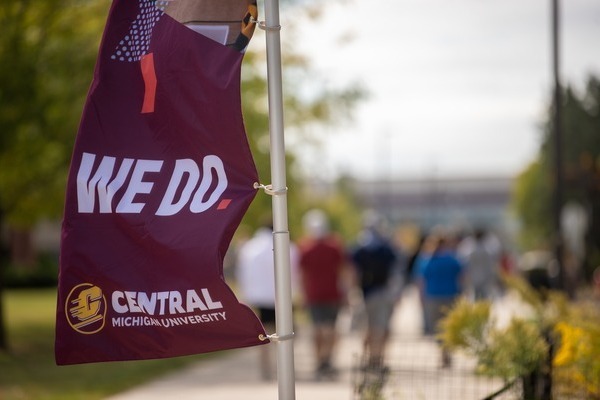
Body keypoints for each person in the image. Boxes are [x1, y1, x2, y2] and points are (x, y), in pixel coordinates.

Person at [235, 220, 298, 380]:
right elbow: (294, 271)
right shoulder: (288, 246)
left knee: (264, 334)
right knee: (285, 333)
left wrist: (245, 296)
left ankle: (266, 368)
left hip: (259, 297)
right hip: (282, 297)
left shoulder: (250, 248)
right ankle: (282, 367)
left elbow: (243, 274)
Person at [297, 209, 348, 379]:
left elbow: (302, 275)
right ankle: (328, 359)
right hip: (333, 293)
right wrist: (347, 293)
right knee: (331, 328)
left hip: (314, 294)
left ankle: (319, 360)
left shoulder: (305, 248)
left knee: (318, 329)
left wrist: (303, 294)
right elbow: (343, 271)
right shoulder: (335, 246)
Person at [350, 211, 404, 371]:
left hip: (366, 293)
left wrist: (353, 293)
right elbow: (396, 272)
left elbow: (354, 272)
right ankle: (378, 358)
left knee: (368, 328)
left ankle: (369, 357)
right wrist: (397, 294)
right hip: (383, 293)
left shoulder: (359, 247)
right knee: (381, 328)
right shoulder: (387, 248)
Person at [414, 233, 464, 367]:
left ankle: (443, 353)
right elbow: (462, 277)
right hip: (451, 295)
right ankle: (447, 352)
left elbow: (421, 281)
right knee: (449, 326)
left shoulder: (427, 260)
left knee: (437, 327)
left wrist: (420, 298)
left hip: (432, 296)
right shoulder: (453, 259)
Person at [457, 228, 500, 301]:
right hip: (485, 277)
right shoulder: (487, 251)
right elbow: (490, 266)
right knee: (485, 297)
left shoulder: (470, 251)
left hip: (473, 277)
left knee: (475, 297)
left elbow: (465, 263)